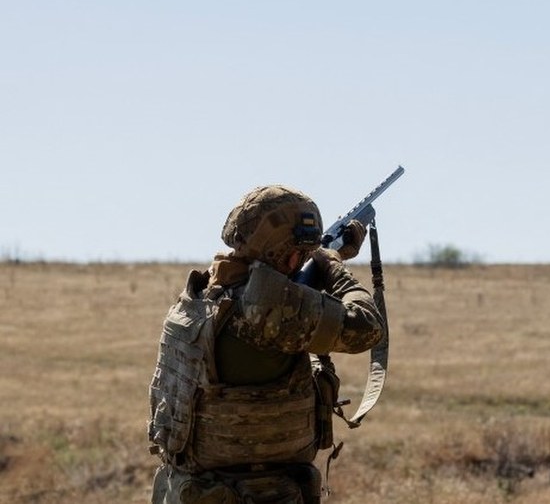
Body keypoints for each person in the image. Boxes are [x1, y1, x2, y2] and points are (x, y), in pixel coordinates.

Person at [148, 185, 386, 504]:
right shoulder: (266, 311)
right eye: (301, 252)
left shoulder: (200, 297)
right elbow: (367, 328)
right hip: (257, 494)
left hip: (188, 489)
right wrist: (333, 266)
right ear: (288, 253)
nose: (302, 259)